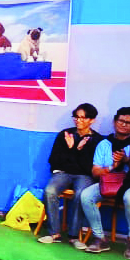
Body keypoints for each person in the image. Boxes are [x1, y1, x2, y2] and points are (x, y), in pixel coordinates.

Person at [77, 107, 130, 257]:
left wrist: (127, 161)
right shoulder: (104, 144)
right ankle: (100, 238)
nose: (123, 124)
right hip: (112, 183)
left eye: (128, 123)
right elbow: (95, 172)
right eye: (120, 120)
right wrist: (112, 166)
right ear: (114, 121)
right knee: (86, 195)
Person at [37, 103, 103, 249]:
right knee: (50, 191)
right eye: (76, 117)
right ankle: (54, 233)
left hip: (84, 176)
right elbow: (54, 160)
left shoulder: (97, 140)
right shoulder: (65, 135)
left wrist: (76, 150)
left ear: (92, 120)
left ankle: (74, 236)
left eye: (83, 118)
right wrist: (72, 149)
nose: (78, 120)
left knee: (80, 194)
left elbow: (89, 167)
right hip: (64, 173)